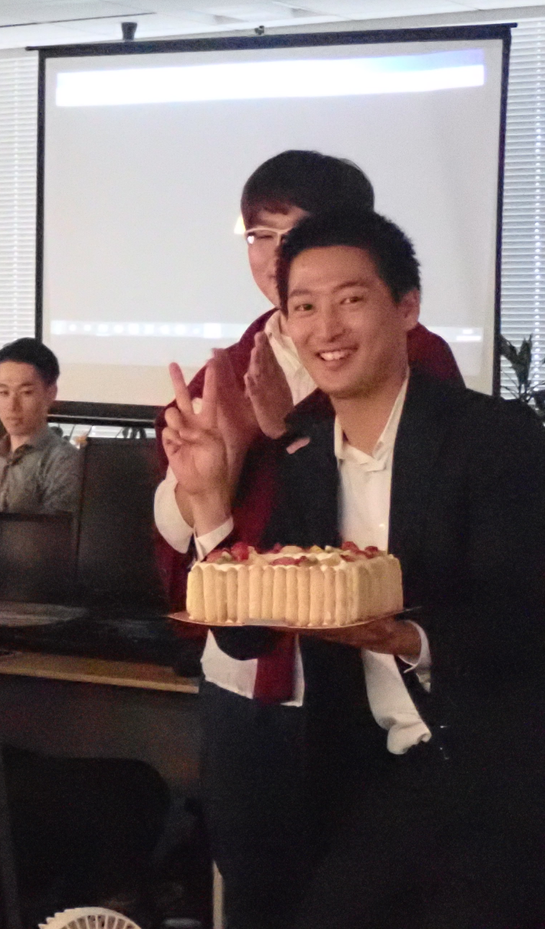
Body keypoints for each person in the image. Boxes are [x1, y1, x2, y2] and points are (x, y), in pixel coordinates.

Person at [164, 212, 545, 928]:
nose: (327, 328)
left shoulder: (494, 440)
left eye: (351, 300)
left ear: (406, 308)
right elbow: (248, 636)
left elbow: (527, 617)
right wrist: (211, 503)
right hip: (378, 783)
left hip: (500, 779)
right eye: (304, 307)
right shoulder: (306, 456)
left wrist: (409, 639)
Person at [0, 338, 81, 515]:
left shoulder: (65, 462)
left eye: (26, 393)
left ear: (50, 393)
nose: (12, 405)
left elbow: (54, 529)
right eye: (3, 392)